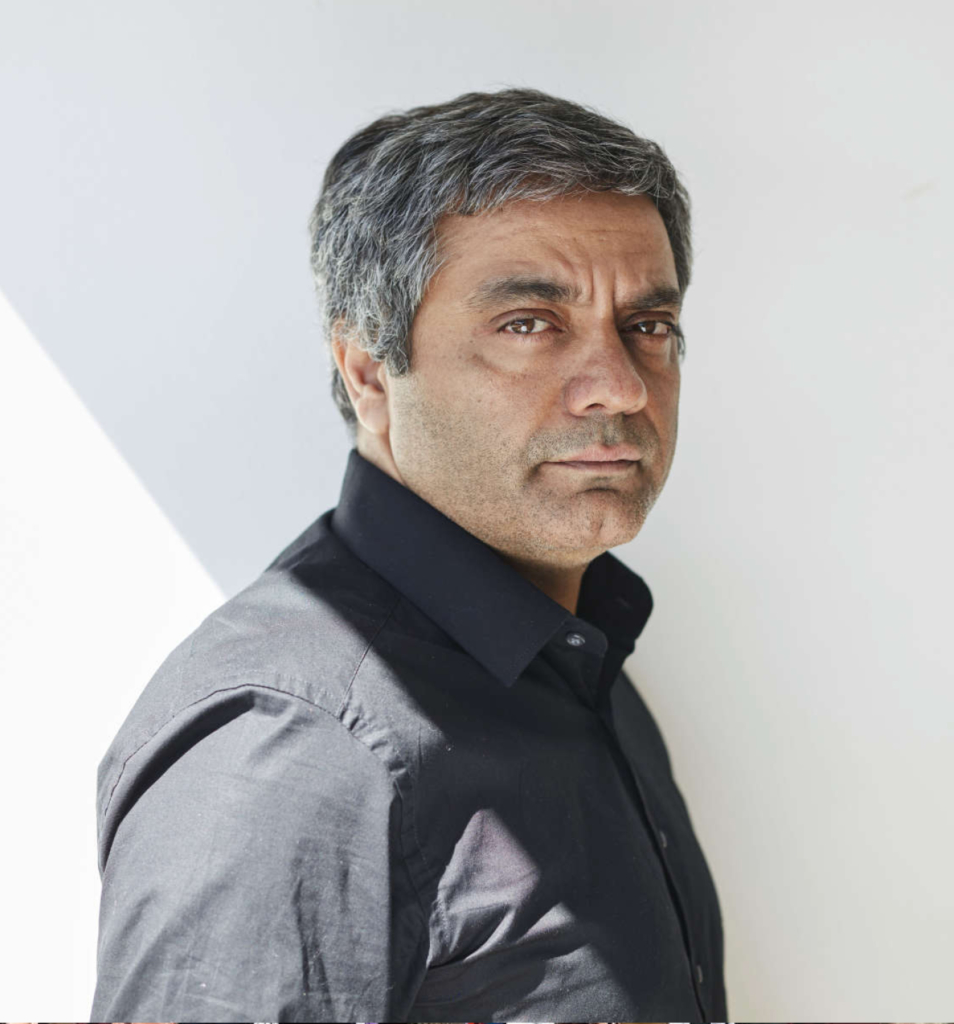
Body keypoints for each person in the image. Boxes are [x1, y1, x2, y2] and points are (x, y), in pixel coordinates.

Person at [90, 87, 727, 1023]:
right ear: (368, 371)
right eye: (528, 323)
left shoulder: (579, 654)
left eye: (649, 326)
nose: (620, 387)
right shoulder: (297, 746)